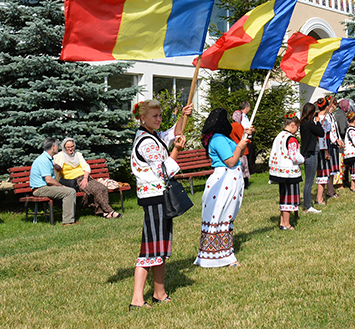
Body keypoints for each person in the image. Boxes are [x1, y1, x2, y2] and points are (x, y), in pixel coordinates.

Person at [130, 98, 189, 309]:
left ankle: (159, 293)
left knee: (161, 247)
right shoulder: (146, 142)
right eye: (154, 116)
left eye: (160, 115)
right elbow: (164, 171)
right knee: (150, 248)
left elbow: (172, 133)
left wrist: (183, 115)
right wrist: (177, 151)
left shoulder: (153, 136)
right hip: (153, 198)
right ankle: (137, 300)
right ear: (142, 118)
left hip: (159, 196)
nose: (159, 119)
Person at [195, 108, 251, 268]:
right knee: (221, 217)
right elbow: (231, 161)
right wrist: (240, 146)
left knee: (226, 216)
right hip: (224, 180)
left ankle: (220, 253)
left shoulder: (221, 137)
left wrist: (244, 137)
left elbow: (237, 153)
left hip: (229, 179)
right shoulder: (218, 139)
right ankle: (223, 256)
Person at [54, 137, 117, 218]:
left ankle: (103, 212)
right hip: (75, 181)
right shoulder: (59, 156)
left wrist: (85, 178)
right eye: (68, 147)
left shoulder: (78, 155)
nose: (70, 149)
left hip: (85, 178)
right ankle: (110, 211)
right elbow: (50, 162)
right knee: (97, 189)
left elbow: (86, 167)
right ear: (64, 147)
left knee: (103, 188)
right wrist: (55, 166)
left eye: (72, 146)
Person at [268, 112, 304, 229]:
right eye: (297, 127)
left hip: (279, 171)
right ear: (293, 125)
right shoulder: (291, 139)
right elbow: (294, 156)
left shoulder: (279, 136)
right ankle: (287, 224)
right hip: (289, 172)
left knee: (283, 196)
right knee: (289, 198)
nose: (297, 130)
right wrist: (302, 159)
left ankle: (282, 222)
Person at [29, 139, 77, 226]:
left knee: (70, 190)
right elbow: (49, 180)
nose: (58, 148)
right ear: (53, 147)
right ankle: (68, 222)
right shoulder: (43, 160)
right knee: (70, 192)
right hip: (40, 189)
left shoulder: (48, 159)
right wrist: (61, 186)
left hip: (45, 187)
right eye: (57, 146)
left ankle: (69, 220)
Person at [298, 102, 324, 213]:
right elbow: (321, 133)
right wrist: (318, 122)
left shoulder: (303, 123)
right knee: (309, 181)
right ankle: (308, 206)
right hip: (311, 153)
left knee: (309, 180)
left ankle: (307, 205)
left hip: (308, 152)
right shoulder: (309, 124)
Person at [341, 112, 355, 192]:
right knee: (354, 170)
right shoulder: (351, 130)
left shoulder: (351, 129)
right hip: (352, 153)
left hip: (351, 153)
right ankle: (353, 187)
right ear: (354, 120)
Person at [231, 100, 253, 183]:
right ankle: (245, 183)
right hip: (241, 148)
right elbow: (242, 137)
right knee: (244, 166)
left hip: (235, 148)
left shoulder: (232, 126)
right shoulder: (238, 126)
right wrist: (248, 141)